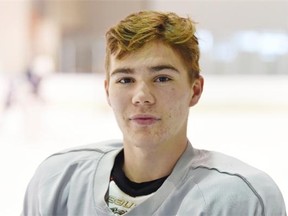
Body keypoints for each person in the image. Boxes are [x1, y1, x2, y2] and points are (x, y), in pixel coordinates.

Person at [22, 11, 286, 216]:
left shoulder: (241, 199)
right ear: (107, 91)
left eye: (161, 78)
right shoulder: (59, 181)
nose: (141, 97)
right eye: (125, 80)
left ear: (195, 90)